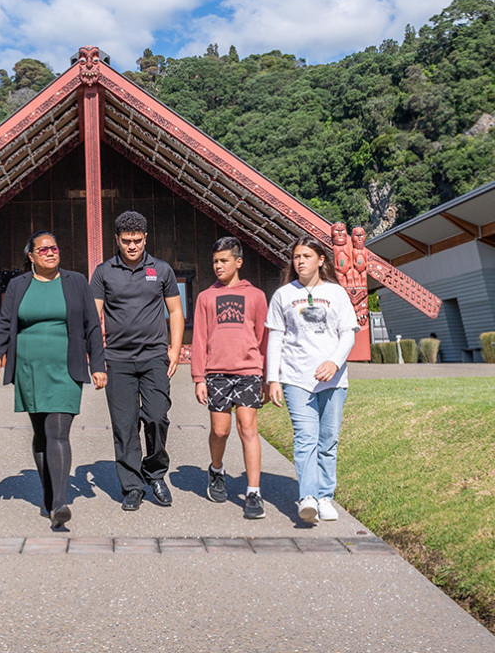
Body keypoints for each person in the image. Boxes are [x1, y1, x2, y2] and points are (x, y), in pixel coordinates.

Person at [0, 231, 106, 529]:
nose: (51, 253)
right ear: (31, 256)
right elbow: (4, 321)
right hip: (29, 367)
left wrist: (99, 364)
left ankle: (60, 503)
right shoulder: (18, 285)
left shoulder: (76, 282)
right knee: (40, 433)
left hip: (66, 366)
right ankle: (48, 493)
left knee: (58, 431)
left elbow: (92, 325)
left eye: (54, 247)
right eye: (43, 250)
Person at [91, 211, 184, 511]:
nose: (132, 246)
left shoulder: (162, 270)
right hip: (117, 360)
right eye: (127, 241)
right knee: (125, 425)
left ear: (146, 238)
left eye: (138, 241)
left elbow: (176, 312)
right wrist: (96, 357)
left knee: (157, 416)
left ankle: (155, 473)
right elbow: (94, 316)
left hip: (155, 356)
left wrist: (175, 349)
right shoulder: (104, 272)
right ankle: (132, 486)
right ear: (117, 239)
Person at [266, 235, 359, 524]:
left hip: (334, 380)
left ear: (320, 260)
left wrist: (334, 362)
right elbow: (275, 337)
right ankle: (308, 497)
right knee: (306, 438)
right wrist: (273, 379)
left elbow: (348, 333)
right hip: (296, 378)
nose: (300, 261)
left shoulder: (336, 293)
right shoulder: (283, 295)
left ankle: (325, 497)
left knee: (328, 440)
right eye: (296, 257)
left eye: (306, 256)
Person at [191, 236, 268, 519]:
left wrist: (266, 377)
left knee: (247, 428)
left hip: (248, 372)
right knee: (220, 431)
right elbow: (199, 338)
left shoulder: (256, 296)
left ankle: (253, 492)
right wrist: (199, 377)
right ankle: (216, 470)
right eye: (215, 261)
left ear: (238, 262)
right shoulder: (205, 298)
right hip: (216, 373)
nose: (218, 266)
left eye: (224, 261)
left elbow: (264, 338)